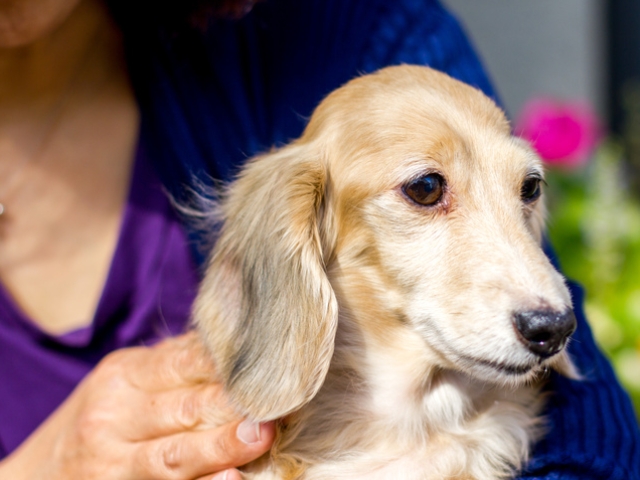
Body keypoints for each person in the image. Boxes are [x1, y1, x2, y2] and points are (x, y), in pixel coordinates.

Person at [0, 0, 637, 478]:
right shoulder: (284, 204)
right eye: (423, 190)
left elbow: (585, 414)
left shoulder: (348, 28)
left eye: (528, 189)